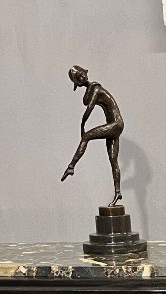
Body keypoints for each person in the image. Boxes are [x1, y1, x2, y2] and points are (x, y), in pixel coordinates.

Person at [62, 66, 124, 207]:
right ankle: (118, 193)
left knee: (86, 137)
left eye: (82, 75)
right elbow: (87, 101)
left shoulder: (96, 89)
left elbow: (89, 107)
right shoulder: (91, 89)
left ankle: (71, 166)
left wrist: (82, 126)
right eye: (78, 78)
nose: (82, 78)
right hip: (114, 125)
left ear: (85, 73)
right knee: (113, 161)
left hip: (116, 124)